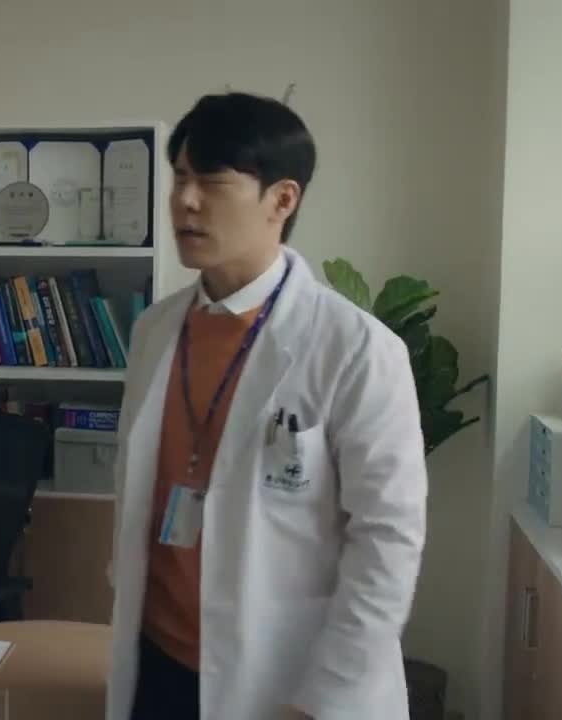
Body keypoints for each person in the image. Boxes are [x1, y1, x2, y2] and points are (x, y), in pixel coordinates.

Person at [106, 92, 428, 720]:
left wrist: (322, 699)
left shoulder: (355, 348)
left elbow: (387, 541)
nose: (185, 200)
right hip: (159, 665)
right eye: (180, 177)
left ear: (282, 199)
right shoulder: (154, 331)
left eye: (212, 182)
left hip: (289, 680)